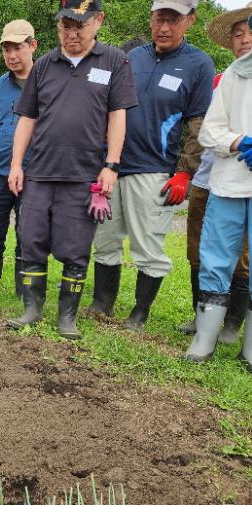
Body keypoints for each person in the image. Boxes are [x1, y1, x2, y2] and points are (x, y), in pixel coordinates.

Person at [6, 0, 137, 339]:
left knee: (75, 247)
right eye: (65, 25)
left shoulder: (115, 61)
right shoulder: (44, 65)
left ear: (98, 22)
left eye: (79, 24)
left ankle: (67, 316)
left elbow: (117, 116)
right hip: (40, 172)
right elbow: (27, 118)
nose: (71, 32)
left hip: (84, 175)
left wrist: (112, 165)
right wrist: (17, 164)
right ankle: (32, 308)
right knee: (31, 239)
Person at [90, 0, 215, 331]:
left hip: (155, 169)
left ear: (190, 20)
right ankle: (102, 303)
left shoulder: (199, 64)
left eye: (173, 20)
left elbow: (198, 124)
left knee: (148, 247)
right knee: (105, 239)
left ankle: (140, 313)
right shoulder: (129, 57)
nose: (164, 27)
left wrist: (185, 172)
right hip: (112, 166)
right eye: (160, 18)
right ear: (151, 18)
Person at [179, 2, 252, 342]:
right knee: (202, 251)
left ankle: (234, 325)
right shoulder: (222, 80)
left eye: (249, 32)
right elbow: (203, 131)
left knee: (241, 257)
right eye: (238, 34)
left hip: (242, 184)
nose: (244, 39)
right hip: (209, 177)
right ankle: (202, 318)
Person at [0, 20, 38, 298]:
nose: (12, 55)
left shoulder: (48, 84)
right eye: (6, 49)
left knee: (28, 236)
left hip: (34, 173)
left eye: (18, 48)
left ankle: (23, 292)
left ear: (32, 46)